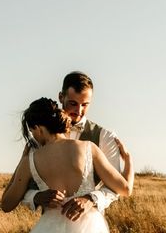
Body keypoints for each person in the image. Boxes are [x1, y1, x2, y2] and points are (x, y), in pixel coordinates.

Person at [1, 98, 133, 232]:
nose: (33, 136)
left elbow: (6, 204)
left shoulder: (30, 160)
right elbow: (125, 189)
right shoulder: (88, 148)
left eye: (32, 131)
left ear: (38, 128)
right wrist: (128, 160)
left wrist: (23, 160)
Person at [24, 72, 123, 221]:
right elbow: (23, 185)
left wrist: (91, 199)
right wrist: (36, 197)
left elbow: (116, 188)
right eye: (73, 103)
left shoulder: (105, 137)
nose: (79, 111)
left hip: (89, 224)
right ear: (60, 97)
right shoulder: (40, 134)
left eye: (85, 105)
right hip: (51, 225)